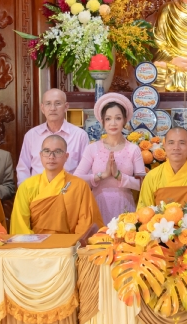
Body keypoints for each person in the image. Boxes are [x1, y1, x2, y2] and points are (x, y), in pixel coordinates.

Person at [11, 135, 104, 235]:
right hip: (36, 247)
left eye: (58, 152)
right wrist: (35, 247)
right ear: (41, 155)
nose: (51, 157)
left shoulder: (80, 186)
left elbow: (86, 225)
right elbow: (20, 225)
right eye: (47, 151)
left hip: (69, 247)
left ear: (66, 156)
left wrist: (74, 246)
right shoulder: (27, 186)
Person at [75, 93, 146, 222]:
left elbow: (143, 184)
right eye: (108, 119)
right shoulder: (92, 148)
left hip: (124, 206)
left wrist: (119, 176)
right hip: (97, 204)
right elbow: (77, 179)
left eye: (118, 118)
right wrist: (102, 175)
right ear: (102, 121)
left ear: (124, 120)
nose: (113, 123)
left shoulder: (133, 149)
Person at [16, 89, 88, 184]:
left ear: (66, 107)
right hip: (37, 192)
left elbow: (86, 170)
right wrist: (25, 192)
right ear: (42, 108)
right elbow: (23, 168)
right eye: (48, 104)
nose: (52, 108)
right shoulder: (32, 135)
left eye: (57, 103)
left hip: (68, 191)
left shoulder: (79, 135)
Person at [139, 127, 187, 209]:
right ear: (164, 145)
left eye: (182, 143)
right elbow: (144, 213)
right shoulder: (152, 176)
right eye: (171, 143)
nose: (176, 148)